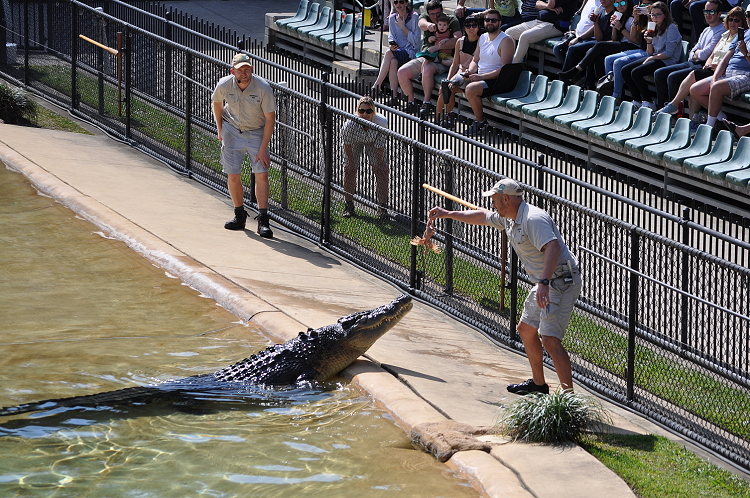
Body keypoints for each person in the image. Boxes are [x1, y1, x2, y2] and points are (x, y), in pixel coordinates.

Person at [428, 178, 582, 394]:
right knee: (526, 329)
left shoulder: (532, 219)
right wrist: (448, 213)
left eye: (494, 200)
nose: (493, 204)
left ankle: (568, 400)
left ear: (506, 199)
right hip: (545, 282)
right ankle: (538, 385)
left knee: (549, 340)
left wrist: (544, 283)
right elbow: (481, 215)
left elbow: (553, 247)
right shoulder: (508, 217)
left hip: (559, 282)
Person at [212, 53, 276, 238]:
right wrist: (220, 128)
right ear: (233, 72)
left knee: (261, 173)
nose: (244, 74)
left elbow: (270, 119)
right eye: (240, 71)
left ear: (252, 70)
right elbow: (216, 102)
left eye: (247, 70)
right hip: (232, 129)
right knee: (233, 174)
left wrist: (263, 148)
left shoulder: (263, 87)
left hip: (256, 131)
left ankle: (263, 219)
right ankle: (239, 215)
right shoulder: (224, 84)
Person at [656, 3, 740, 123]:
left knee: (689, 79)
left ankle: (673, 109)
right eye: (730, 19)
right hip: (707, 66)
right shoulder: (724, 34)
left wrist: (711, 62)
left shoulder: (736, 36)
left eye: (736, 20)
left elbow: (708, 54)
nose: (732, 23)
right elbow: (708, 54)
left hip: (720, 71)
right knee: (662, 74)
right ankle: (692, 121)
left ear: (719, 14)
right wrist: (706, 60)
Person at [652, 1, 725, 108]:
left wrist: (696, 53)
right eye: (705, 11)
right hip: (692, 62)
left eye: (711, 11)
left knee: (673, 77)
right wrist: (695, 53)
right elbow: (693, 51)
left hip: (703, 66)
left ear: (719, 14)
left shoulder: (722, 30)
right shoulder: (706, 29)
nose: (707, 14)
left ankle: (673, 114)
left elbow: (705, 55)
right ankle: (662, 109)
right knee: (659, 73)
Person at [455, 9, 514, 137]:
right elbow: (475, 60)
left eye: (493, 20)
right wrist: (469, 71)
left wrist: (481, 77)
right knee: (453, 83)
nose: (490, 22)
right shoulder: (482, 37)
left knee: (470, 89)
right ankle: (446, 119)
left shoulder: (506, 40)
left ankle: (480, 122)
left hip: (498, 81)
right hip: (481, 78)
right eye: (487, 20)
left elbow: (505, 69)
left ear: (500, 22)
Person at [397, 1, 462, 115]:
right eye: (432, 14)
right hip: (427, 56)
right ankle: (411, 103)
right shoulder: (426, 18)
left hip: (443, 59)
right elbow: (421, 23)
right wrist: (429, 25)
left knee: (427, 68)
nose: (435, 17)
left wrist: (437, 47)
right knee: (402, 72)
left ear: (442, 11)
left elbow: (458, 40)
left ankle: (426, 103)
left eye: (438, 13)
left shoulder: (450, 20)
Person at [557, 0, 640, 89]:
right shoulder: (617, 15)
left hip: (632, 46)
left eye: (623, 3)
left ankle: (576, 70)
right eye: (617, 4)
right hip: (620, 43)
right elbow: (612, 38)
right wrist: (601, 23)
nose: (620, 6)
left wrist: (621, 28)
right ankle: (599, 89)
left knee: (598, 46)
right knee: (598, 57)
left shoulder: (633, 17)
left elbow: (635, 41)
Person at [686, 21, 750, 130]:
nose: (749, 18)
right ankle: (722, 119)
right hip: (729, 72)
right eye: (748, 15)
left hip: (746, 75)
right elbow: (724, 61)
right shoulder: (743, 33)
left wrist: (745, 53)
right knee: (695, 89)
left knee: (716, 87)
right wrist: (714, 78)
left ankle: (708, 128)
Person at [620, 2, 682, 111]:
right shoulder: (653, 26)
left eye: (658, 14)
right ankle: (637, 101)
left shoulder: (671, 28)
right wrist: (648, 42)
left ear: (665, 15)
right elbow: (650, 52)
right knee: (625, 70)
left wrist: (651, 58)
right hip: (656, 57)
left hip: (667, 60)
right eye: (652, 15)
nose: (655, 17)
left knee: (636, 72)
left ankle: (649, 102)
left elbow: (669, 53)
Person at [341, 96, 390, 219]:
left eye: (369, 111)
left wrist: (379, 164)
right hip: (355, 141)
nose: (365, 114)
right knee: (349, 170)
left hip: (373, 142)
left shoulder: (381, 122)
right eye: (362, 111)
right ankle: (349, 206)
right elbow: (347, 144)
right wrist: (351, 163)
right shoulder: (350, 124)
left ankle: (382, 208)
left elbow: (380, 146)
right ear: (357, 111)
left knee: (382, 171)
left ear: (373, 112)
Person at [434, 14, 482, 130]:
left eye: (474, 25)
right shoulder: (460, 42)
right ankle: (439, 120)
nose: (471, 28)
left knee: (448, 87)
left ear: (478, 27)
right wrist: (449, 79)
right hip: (460, 74)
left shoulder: (482, 41)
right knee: (445, 87)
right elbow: (455, 64)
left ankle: (445, 119)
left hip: (474, 75)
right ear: (464, 28)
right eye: (468, 25)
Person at [371, 0, 421, 106]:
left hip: (411, 52)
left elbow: (416, 43)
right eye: (396, 2)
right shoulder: (392, 18)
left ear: (406, 3)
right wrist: (391, 44)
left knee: (389, 54)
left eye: (401, 2)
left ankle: (377, 84)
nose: (398, 5)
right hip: (398, 51)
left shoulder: (414, 16)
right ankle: (394, 97)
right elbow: (391, 36)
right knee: (393, 61)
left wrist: (403, 26)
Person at [557, 0, 616, 83]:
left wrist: (617, 26)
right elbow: (599, 38)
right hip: (600, 43)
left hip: (612, 44)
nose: (602, 0)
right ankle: (569, 80)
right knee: (562, 48)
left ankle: (578, 78)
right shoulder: (602, 11)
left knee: (591, 51)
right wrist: (595, 22)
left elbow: (615, 39)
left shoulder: (616, 14)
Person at [505, 0, 579, 64]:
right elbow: (537, 4)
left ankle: (512, 67)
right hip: (539, 21)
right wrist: (547, 6)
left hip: (555, 25)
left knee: (525, 36)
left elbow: (551, 4)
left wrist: (549, 6)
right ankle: (505, 63)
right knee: (509, 32)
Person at [553, 0, 602, 71]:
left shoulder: (603, 3)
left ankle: (565, 78)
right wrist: (574, 31)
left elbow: (597, 26)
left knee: (572, 49)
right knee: (558, 49)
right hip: (579, 36)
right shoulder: (590, 1)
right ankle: (576, 76)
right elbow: (585, 22)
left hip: (590, 38)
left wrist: (578, 38)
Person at [670, 0, 736, 44]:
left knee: (694, 6)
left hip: (726, 2)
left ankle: (699, 43)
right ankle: (676, 41)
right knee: (675, 4)